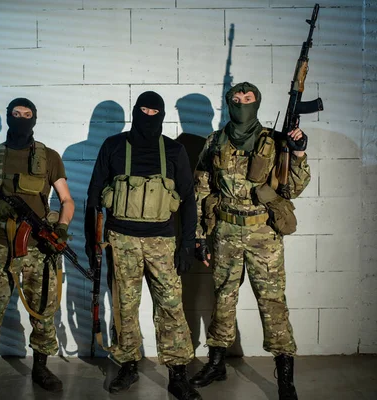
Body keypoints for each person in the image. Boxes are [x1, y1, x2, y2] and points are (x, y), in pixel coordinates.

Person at [190, 82, 310, 400]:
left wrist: (297, 153)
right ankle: (217, 362)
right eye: (236, 99)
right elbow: (202, 189)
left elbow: (293, 189)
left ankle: (285, 376)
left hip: (263, 235)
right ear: (228, 103)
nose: (242, 104)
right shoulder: (215, 141)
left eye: (248, 99)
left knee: (272, 304)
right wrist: (200, 237)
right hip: (226, 232)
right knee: (223, 300)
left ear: (257, 103)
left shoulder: (274, 140)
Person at [85, 91, 202, 400]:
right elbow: (94, 195)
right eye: (144, 109)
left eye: (155, 111)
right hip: (120, 241)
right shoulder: (113, 146)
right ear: (135, 111)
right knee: (125, 307)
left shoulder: (175, 151)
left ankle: (178, 374)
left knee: (171, 307)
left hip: (163, 242)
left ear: (162, 114)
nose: (149, 116)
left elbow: (189, 199)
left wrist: (187, 245)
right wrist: (91, 242)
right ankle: (127, 365)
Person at [0, 98, 75, 399]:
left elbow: (67, 200)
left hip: (38, 248)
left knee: (42, 312)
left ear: (35, 119)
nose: (22, 119)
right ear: (8, 119)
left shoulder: (48, 157)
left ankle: (40, 368)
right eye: (16, 114)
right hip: (0, 246)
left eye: (27, 115)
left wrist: (61, 229)